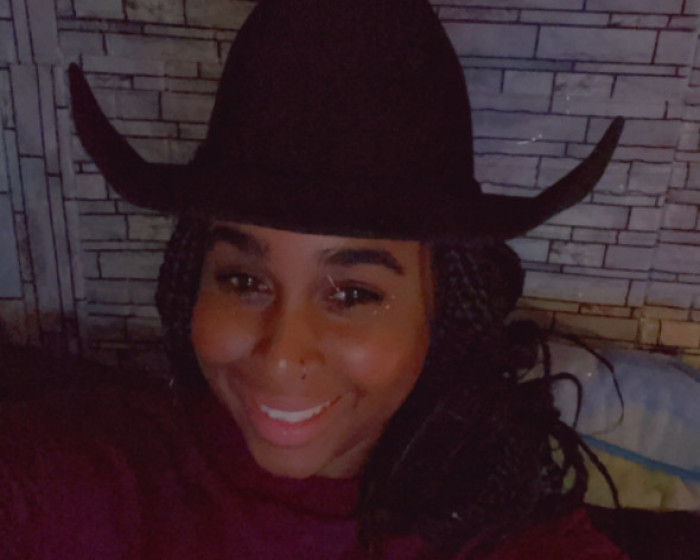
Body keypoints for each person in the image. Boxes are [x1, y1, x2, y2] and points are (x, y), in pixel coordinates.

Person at [1, 0, 627, 558]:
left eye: (353, 294)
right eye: (242, 280)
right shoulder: (95, 474)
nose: (281, 356)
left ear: (442, 307)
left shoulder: (506, 526)